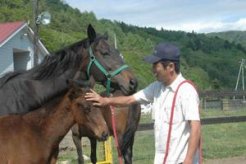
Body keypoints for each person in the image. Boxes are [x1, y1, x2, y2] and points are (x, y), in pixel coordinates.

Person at [85, 42, 201, 164]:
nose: (153, 70)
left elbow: (195, 127)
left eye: (156, 65)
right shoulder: (157, 88)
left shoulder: (186, 91)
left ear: (170, 67)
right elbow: (130, 99)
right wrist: (105, 101)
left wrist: (188, 159)